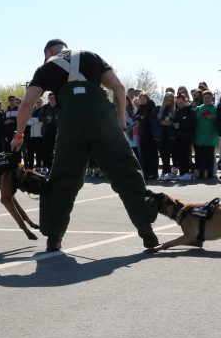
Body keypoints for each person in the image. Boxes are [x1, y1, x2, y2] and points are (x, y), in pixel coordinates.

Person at [10, 39, 159, 251]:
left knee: (63, 178)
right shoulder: (91, 56)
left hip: (71, 122)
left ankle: (54, 238)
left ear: (49, 51)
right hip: (102, 118)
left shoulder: (47, 66)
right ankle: (144, 225)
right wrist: (119, 121)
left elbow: (27, 103)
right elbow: (119, 88)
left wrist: (18, 135)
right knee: (125, 170)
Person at [193, 89, 219, 179]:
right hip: (199, 137)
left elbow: (220, 122)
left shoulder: (216, 109)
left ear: (212, 98)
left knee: (210, 157)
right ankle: (200, 173)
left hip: (211, 137)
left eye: (208, 97)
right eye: (205, 97)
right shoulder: (198, 108)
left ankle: (210, 173)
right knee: (200, 157)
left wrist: (212, 118)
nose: (206, 99)